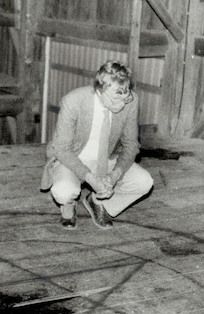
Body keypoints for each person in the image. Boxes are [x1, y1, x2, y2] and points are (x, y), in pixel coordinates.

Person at [40, 60, 154, 229]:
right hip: (73, 158)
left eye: (125, 97)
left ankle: (98, 203)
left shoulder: (131, 101)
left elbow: (131, 145)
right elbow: (62, 149)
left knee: (144, 182)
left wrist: (114, 175)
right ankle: (69, 204)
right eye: (115, 99)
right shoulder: (73, 101)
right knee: (64, 191)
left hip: (107, 158)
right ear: (100, 90)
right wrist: (91, 179)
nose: (121, 104)